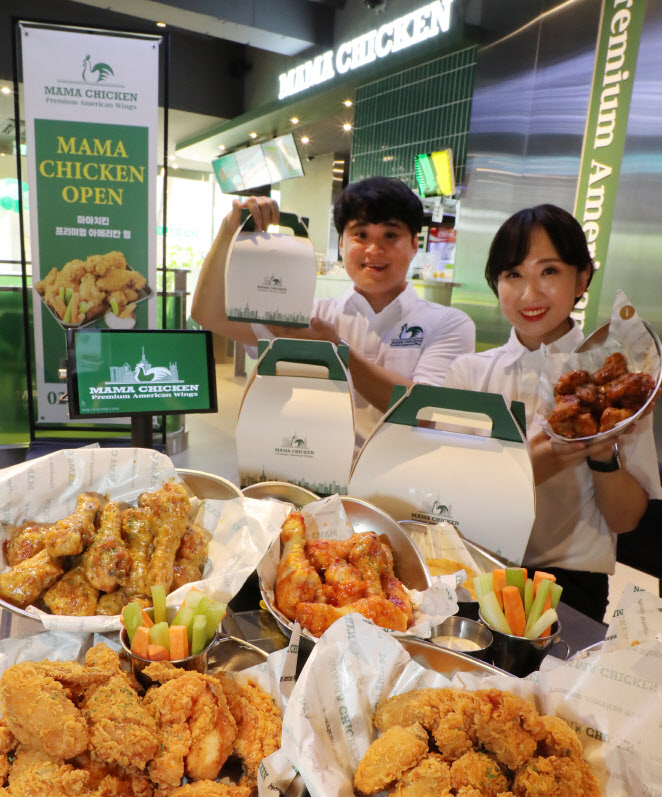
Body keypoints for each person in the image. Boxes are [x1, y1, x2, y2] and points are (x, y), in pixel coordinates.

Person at [442, 203, 661, 623]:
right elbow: (450, 501)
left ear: (581, 278)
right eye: (513, 275)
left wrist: (601, 454)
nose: (529, 294)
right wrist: (529, 468)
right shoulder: (468, 374)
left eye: (549, 271)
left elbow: (626, 519)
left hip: (570, 586)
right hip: (471, 572)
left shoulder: (613, 384)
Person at [191, 177, 475, 443]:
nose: (374, 248)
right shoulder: (308, 316)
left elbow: (424, 413)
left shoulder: (449, 323)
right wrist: (229, 230)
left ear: (414, 244)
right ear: (341, 244)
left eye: (390, 235)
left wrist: (335, 351)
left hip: (405, 485)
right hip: (313, 482)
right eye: (361, 234)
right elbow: (209, 314)